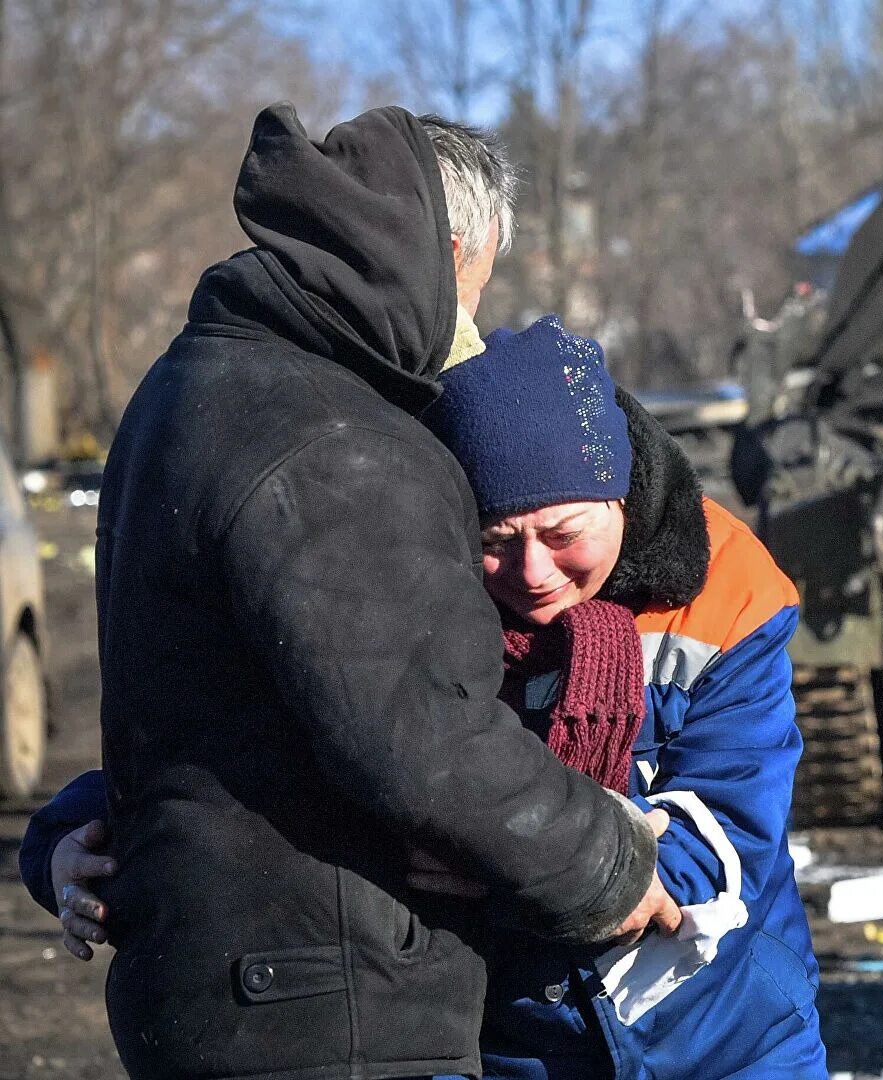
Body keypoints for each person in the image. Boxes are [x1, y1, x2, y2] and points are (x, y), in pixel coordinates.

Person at [19, 104, 667, 1080]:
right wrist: (607, 864)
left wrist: (63, 829)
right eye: (475, 289)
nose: (472, 329)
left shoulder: (194, 385)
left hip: (220, 982)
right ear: (444, 255)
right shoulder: (339, 437)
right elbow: (420, 731)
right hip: (323, 1003)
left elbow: (208, 697)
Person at [31, 317, 829, 1079]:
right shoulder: (399, 597)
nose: (534, 574)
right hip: (506, 1047)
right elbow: (238, 753)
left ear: (619, 492)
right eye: (492, 542)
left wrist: (518, 861)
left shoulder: (729, 590)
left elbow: (732, 833)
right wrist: (69, 837)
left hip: (732, 1035)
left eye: (563, 533)